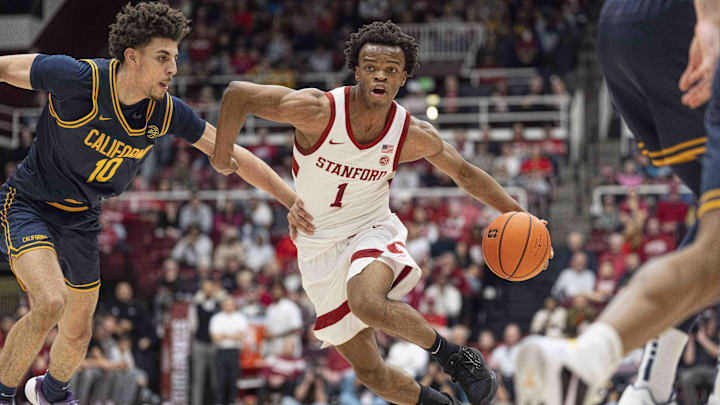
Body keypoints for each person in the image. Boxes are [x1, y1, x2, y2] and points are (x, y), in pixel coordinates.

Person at [212, 20, 550, 405]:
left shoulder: (410, 133)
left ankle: (455, 358)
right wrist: (223, 157)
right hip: (317, 247)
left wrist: (525, 217)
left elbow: (463, 172)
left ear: (404, 78)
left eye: (391, 70)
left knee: (367, 302)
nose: (380, 76)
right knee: (371, 373)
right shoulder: (317, 110)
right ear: (356, 69)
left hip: (371, 228)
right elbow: (237, 94)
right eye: (371, 67)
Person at [0, 3, 312, 404]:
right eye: (163, 58)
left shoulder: (164, 112)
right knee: (50, 303)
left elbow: (232, 153)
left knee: (78, 332)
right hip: (31, 203)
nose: (174, 69)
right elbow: (7, 69)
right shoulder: (77, 77)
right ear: (132, 57)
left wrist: (290, 199)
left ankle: (52, 393)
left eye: (176, 59)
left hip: (83, 217)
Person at [513, 1, 720, 404]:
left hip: (623, 28)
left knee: (714, 245)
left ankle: (620, 374)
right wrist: (710, 20)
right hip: (690, 19)